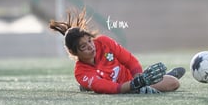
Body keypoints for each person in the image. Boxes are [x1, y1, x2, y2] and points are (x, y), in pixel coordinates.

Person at [49, 9, 186, 94]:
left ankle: (166, 75)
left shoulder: (103, 42)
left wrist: (140, 79)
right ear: (74, 53)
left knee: (174, 83)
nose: (91, 47)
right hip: (128, 86)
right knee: (171, 82)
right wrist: (135, 86)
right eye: (83, 47)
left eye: (89, 41)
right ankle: (88, 86)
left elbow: (129, 61)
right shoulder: (81, 73)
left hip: (133, 80)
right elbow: (109, 88)